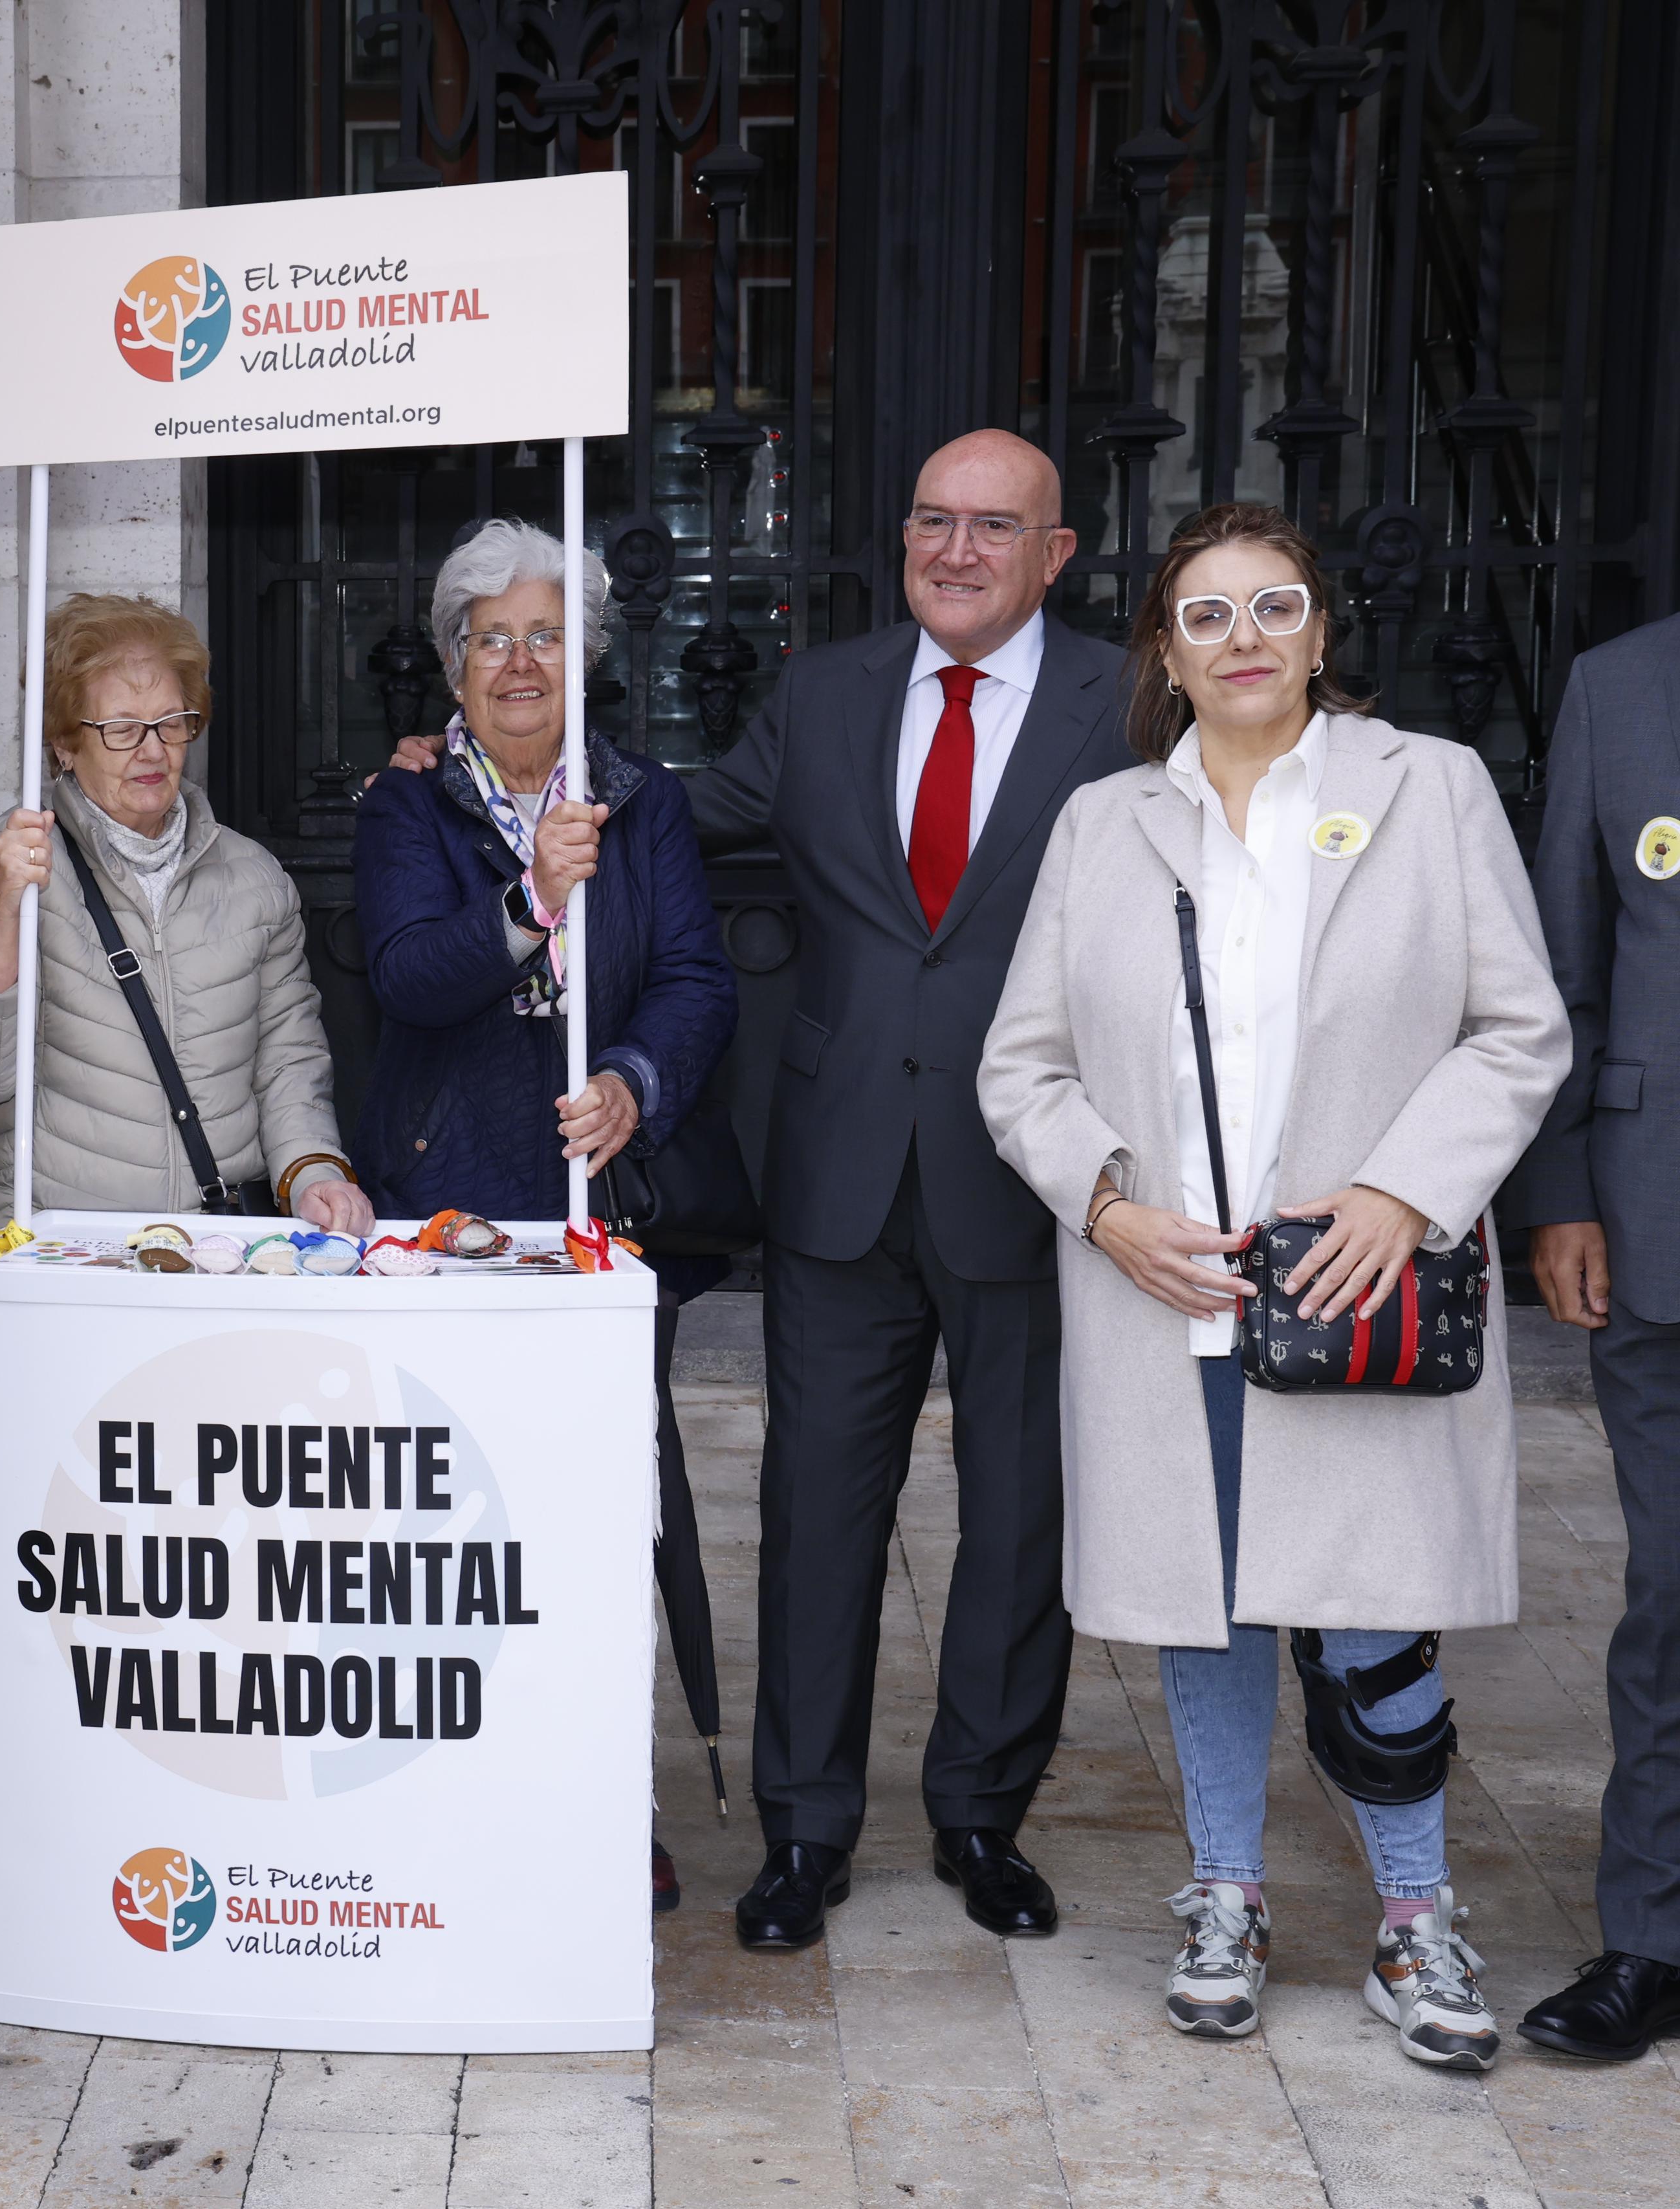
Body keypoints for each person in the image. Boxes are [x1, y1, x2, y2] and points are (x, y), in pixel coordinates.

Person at [979, 500, 1566, 2066]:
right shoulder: (1104, 825)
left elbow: (1518, 1029)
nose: (1241, 639)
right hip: (1174, 1291)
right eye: (1204, 616)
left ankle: (1415, 1917)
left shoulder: (1427, 788)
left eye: (1273, 607)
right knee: (1208, 1604)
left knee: (1376, 1620)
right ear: (1164, 658)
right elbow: (1020, 1066)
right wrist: (1106, 1209)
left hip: (1364, 1279)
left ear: (1319, 635)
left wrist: (1402, 1189)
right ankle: (1225, 1892)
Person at [690, 428, 1135, 1950]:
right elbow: (673, 820)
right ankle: (804, 1830)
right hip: (837, 1170)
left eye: (993, 527)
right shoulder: (824, 693)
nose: (955, 550)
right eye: (933, 519)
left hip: (1031, 1169)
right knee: (814, 1508)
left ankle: (979, 1815)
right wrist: (490, 780)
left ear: (1054, 555)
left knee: (1019, 1515)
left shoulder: (1126, 705)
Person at [353, 520, 736, 1910]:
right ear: (454, 663)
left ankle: (605, 1795)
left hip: (595, 1214)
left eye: (548, 638)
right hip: (450, 1206)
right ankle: (460, 1792)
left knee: (597, 1517)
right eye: (492, 638)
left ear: (588, 661)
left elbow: (695, 978)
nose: (520, 663)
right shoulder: (406, 807)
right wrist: (531, 896)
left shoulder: (642, 800)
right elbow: (406, 973)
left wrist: (634, 1080)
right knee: (453, 1524)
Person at [0, 593, 376, 1236]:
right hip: (59, 1243)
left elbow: (288, 1060)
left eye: (171, 723)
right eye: (121, 729)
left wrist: (313, 1173)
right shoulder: (11, 863)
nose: (152, 751)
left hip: (211, 1243)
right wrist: (7, 905)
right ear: (64, 744)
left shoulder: (254, 878)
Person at [1514, 606, 1680, 2059]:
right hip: (1656, 1219)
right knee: (1669, 1601)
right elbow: (1562, 970)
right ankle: (1652, 1936)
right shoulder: (1618, 687)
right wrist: (1561, 1189)